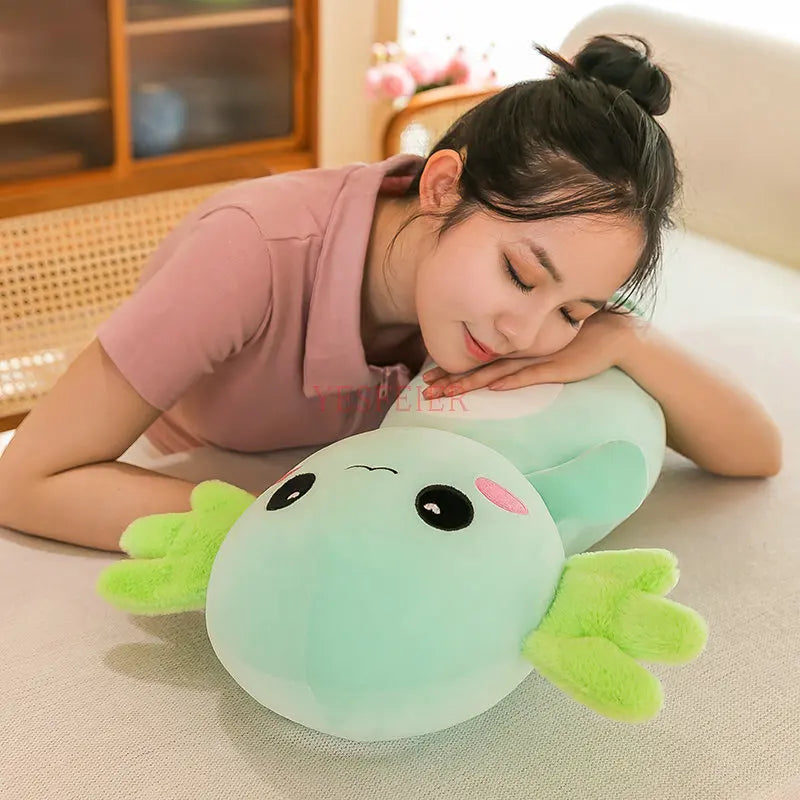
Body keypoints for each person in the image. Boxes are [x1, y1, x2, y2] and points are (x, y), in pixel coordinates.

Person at [0, 35, 782, 552]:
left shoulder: (536, 297)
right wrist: (294, 524)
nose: (527, 331)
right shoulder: (252, 251)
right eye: (521, 275)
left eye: (573, 311)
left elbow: (755, 453)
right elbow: (28, 479)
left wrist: (626, 339)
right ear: (443, 185)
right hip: (173, 475)